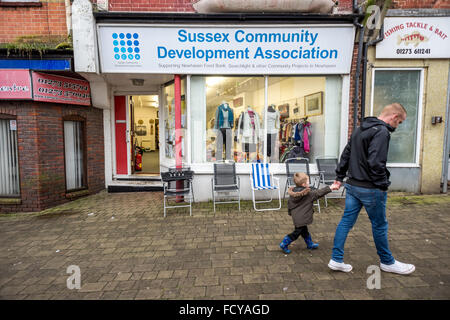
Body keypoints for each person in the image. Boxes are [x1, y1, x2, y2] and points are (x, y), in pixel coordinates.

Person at [328, 103, 415, 275]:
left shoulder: (360, 129)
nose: (397, 126)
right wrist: (382, 184)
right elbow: (376, 162)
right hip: (370, 188)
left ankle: (336, 259)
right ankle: (387, 262)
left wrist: (339, 177)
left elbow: (346, 154)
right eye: (399, 123)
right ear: (394, 117)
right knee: (379, 225)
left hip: (352, 185)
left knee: (346, 222)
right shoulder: (382, 132)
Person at [279, 172, 339, 254]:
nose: (309, 183)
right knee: (297, 233)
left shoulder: (293, 193)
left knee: (304, 230)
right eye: (308, 182)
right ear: (304, 184)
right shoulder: (308, 194)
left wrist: (290, 213)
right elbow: (319, 193)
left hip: (297, 217)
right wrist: (331, 187)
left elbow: (289, 204)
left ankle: (310, 244)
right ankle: (284, 243)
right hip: (302, 218)